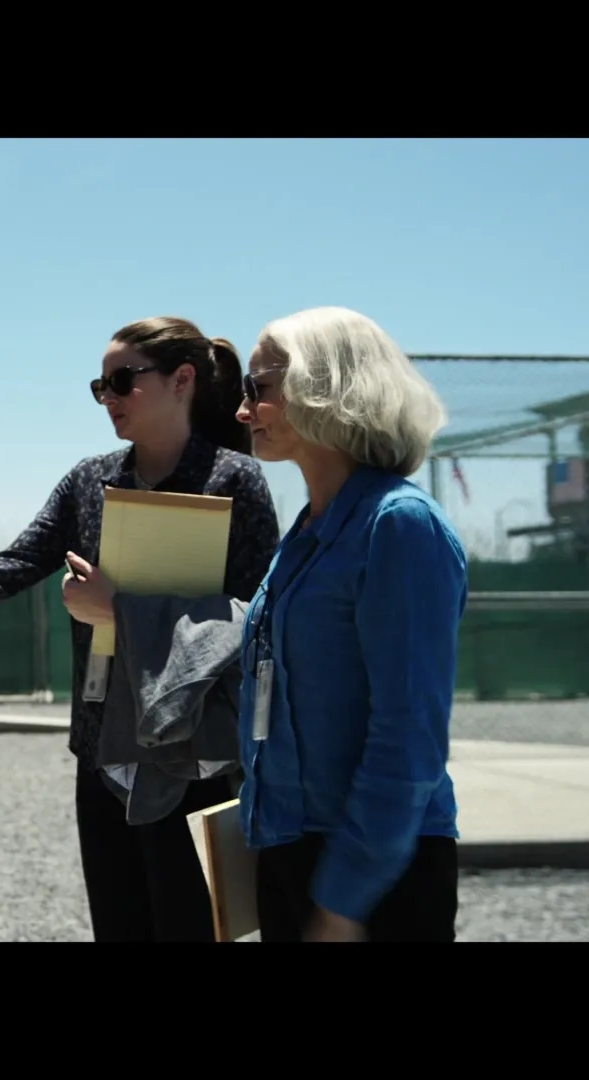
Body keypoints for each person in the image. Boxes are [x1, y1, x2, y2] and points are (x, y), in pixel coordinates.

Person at [0, 317, 278, 942]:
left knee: (187, 927)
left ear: (182, 380)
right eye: (101, 387)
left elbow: (257, 618)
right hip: (102, 754)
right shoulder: (88, 483)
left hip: (191, 753)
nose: (111, 399)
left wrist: (118, 610)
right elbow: (13, 566)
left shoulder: (235, 482)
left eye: (123, 381)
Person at [232, 305, 465, 943]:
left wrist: (345, 898)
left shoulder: (399, 525)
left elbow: (410, 735)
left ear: (324, 387)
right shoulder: (308, 529)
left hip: (371, 874)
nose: (242, 410)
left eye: (259, 388)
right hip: (294, 850)